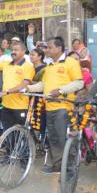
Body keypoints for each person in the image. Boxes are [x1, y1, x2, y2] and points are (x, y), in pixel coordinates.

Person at [28, 37, 83, 174]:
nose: (47, 50)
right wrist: (28, 88)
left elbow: (79, 83)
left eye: (50, 47)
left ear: (59, 48)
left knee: (63, 138)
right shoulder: (50, 66)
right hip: (49, 107)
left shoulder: (71, 62)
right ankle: (57, 165)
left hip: (63, 107)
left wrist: (60, 91)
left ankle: (70, 170)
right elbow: (43, 85)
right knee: (53, 138)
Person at [0, 37, 35, 131]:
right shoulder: (6, 64)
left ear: (23, 51)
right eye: (12, 50)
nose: (13, 52)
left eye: (16, 50)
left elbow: (23, 85)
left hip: (20, 106)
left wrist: (6, 92)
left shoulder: (28, 67)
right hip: (6, 106)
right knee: (8, 134)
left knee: (21, 136)